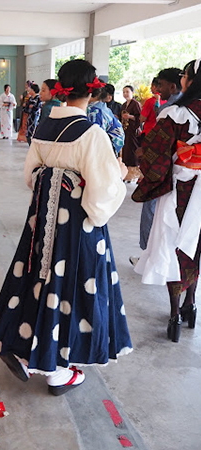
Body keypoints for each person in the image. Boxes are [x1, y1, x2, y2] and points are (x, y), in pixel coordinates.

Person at [0, 59, 132, 395]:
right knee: (73, 287)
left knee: (37, 280)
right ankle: (58, 370)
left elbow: (30, 177)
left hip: (42, 220)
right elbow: (103, 193)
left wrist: (54, 181)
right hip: (78, 226)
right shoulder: (92, 134)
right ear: (93, 91)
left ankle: (23, 350)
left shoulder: (45, 128)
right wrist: (119, 175)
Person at [132, 59, 201, 343]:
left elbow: (156, 158)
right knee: (195, 246)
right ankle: (191, 303)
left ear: (191, 81)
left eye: (185, 75)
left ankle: (174, 314)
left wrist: (146, 179)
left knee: (173, 246)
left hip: (180, 191)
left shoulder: (175, 114)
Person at [130, 68, 182, 266]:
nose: (157, 88)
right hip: (181, 172)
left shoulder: (171, 108)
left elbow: (162, 142)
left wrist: (146, 154)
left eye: (160, 84)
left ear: (173, 85)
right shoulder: (187, 107)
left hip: (165, 168)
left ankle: (148, 256)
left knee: (152, 210)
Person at [87, 86, 125, 156]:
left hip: (105, 150)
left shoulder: (95, 111)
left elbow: (96, 137)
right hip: (113, 147)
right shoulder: (105, 109)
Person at [121, 85, 141, 180]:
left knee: (132, 149)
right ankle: (126, 173)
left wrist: (130, 117)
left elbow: (139, 118)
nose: (125, 94)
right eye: (124, 92)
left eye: (127, 92)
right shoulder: (124, 105)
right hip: (125, 130)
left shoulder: (135, 104)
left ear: (132, 93)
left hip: (132, 130)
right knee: (126, 150)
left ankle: (134, 173)